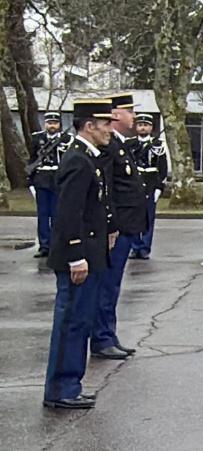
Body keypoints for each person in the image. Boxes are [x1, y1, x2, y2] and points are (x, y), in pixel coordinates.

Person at [43, 99, 116, 410]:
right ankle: (61, 388)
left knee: (80, 321)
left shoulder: (89, 158)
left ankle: (70, 384)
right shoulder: (77, 160)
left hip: (90, 252)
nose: (110, 130)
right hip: (79, 255)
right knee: (71, 322)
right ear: (90, 125)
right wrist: (76, 255)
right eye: (105, 124)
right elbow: (69, 214)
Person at [90, 93, 148, 361]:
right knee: (107, 284)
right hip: (117, 229)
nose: (134, 116)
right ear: (115, 115)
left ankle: (108, 335)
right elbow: (107, 191)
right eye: (129, 112)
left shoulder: (120, 144)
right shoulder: (109, 147)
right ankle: (102, 338)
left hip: (126, 227)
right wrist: (111, 225)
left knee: (113, 285)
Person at [28, 111, 66, 258]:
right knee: (43, 215)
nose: (52, 126)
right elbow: (32, 159)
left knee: (57, 214)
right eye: (49, 123)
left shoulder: (66, 139)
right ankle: (44, 245)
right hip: (41, 179)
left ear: (59, 125)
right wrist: (30, 181)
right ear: (45, 124)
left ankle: (56, 245)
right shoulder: (37, 138)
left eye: (55, 123)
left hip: (57, 179)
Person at [130, 114, 168, 259]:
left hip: (150, 185)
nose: (143, 127)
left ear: (151, 128)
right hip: (134, 185)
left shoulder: (158, 145)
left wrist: (159, 187)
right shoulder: (130, 144)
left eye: (146, 125)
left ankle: (145, 247)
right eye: (140, 125)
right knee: (133, 218)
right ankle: (135, 246)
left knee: (148, 218)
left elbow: (162, 168)